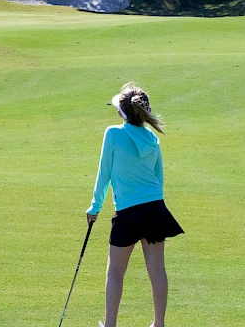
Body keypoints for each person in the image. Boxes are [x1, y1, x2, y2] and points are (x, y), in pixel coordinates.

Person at [86, 82, 184, 327]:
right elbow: (158, 179)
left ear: (122, 112)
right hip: (154, 208)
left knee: (116, 271)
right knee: (157, 269)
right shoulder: (152, 138)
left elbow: (104, 174)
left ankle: (110, 325)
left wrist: (95, 207)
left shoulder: (113, 133)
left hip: (129, 212)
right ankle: (158, 324)